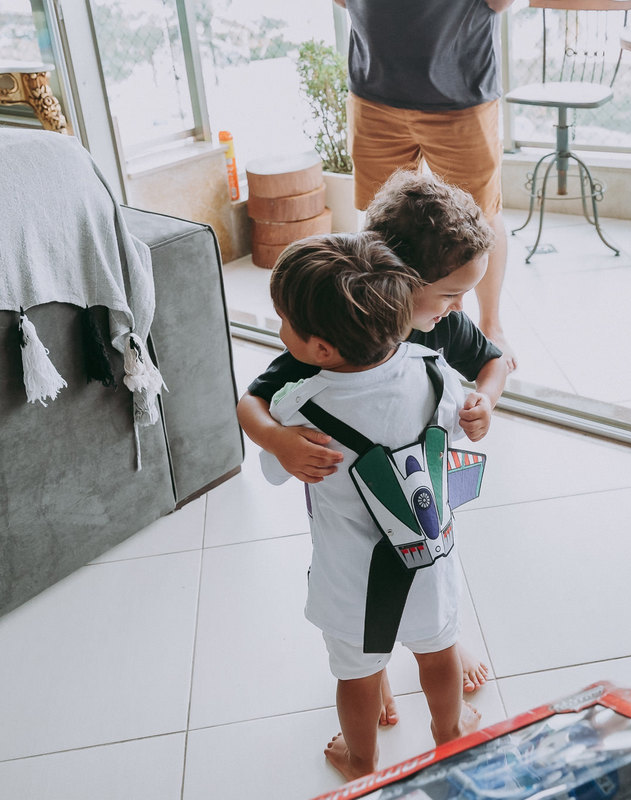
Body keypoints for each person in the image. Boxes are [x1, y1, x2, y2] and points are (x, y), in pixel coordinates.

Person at [238, 170, 506, 695]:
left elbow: (494, 363)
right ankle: (371, 664)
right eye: (452, 293)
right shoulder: (337, 327)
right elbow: (253, 400)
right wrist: (277, 440)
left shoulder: (442, 324)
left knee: (428, 568)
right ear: (398, 277)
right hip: (347, 499)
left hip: (422, 492)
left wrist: (484, 401)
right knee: (358, 577)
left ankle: (438, 638)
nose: (459, 308)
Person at [260, 233, 482, 781]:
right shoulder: (434, 370)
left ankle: (361, 762)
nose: (278, 328)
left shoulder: (299, 406)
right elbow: (462, 425)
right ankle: (449, 735)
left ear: (319, 350)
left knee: (356, 676)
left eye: (284, 320)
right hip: (429, 560)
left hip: (349, 581)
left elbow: (273, 470)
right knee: (438, 654)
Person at [332, 0, 518, 370]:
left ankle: (490, 324)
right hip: (375, 88)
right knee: (379, 217)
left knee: (480, 218)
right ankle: (382, 320)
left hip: (460, 91)